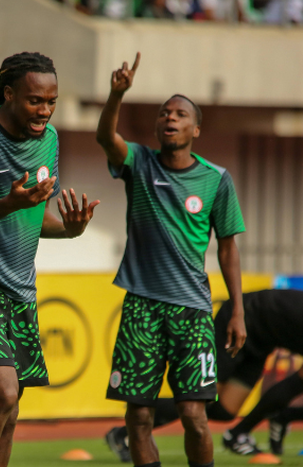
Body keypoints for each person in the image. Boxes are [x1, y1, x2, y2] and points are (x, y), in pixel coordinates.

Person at [0, 52, 100, 467]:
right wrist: (8, 203)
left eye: (51, 102)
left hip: (20, 291)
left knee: (9, 413)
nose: (44, 111)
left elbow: (38, 215)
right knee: (2, 392)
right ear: (9, 94)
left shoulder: (49, 140)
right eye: (34, 101)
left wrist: (72, 228)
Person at [96, 52, 247, 467]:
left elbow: (229, 247)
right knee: (138, 415)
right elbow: (106, 139)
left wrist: (237, 308)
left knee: (195, 416)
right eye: (164, 113)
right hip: (141, 307)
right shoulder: (139, 163)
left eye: (180, 114)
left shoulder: (216, 179)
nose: (170, 118)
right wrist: (116, 95)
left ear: (195, 128)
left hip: (193, 312)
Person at [105, 289, 303, 461]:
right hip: (241, 319)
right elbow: (293, 385)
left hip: (262, 340)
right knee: (202, 398)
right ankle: (126, 429)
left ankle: (238, 433)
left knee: (225, 410)